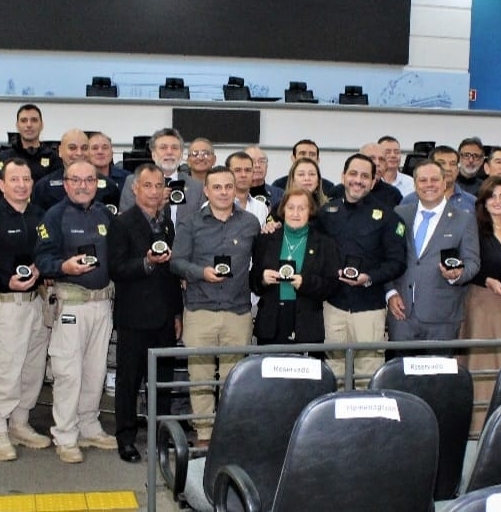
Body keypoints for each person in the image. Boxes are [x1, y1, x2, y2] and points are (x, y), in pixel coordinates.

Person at [35, 159, 120, 463]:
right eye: (76, 180)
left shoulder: (104, 215)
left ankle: (89, 425)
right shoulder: (54, 216)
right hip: (72, 303)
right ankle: (66, 434)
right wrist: (63, 267)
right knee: (69, 372)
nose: (83, 185)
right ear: (66, 183)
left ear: (96, 184)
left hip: (102, 303)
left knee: (95, 371)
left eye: (89, 180)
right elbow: (42, 260)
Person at [169, 165, 260, 446]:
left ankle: (230, 434)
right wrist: (201, 273)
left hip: (238, 310)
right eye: (217, 187)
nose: (223, 192)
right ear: (206, 190)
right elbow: (176, 262)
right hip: (200, 309)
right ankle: (206, 435)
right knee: (201, 378)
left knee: (234, 380)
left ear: (236, 190)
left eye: (228, 187)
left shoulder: (251, 223)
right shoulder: (190, 223)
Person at [0, 157, 52, 461]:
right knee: (6, 367)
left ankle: (19, 423)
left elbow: (47, 252)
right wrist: (5, 280)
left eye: (26, 179)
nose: (21, 185)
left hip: (36, 301)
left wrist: (39, 269)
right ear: (2, 185)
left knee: (33, 367)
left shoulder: (40, 216)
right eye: (15, 180)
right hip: (6, 304)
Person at [108, 164, 182, 463]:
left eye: (158, 186)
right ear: (135, 188)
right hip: (133, 317)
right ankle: (125, 438)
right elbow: (116, 268)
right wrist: (147, 262)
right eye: (147, 185)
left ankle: (159, 435)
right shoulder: (122, 224)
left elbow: (172, 275)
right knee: (129, 380)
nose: (154, 191)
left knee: (161, 379)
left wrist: (177, 312)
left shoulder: (166, 224)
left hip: (164, 315)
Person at [318, 154, 407, 384]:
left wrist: (369, 278)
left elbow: (397, 262)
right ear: (343, 176)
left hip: (370, 309)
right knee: (334, 373)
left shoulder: (388, 218)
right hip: (333, 308)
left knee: (368, 376)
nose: (358, 180)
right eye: (353, 174)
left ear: (374, 180)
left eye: (365, 176)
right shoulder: (326, 213)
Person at [387, 160, 479, 349]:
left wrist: (458, 275)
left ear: (445, 182)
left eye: (434, 179)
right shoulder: (399, 214)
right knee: (401, 375)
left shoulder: (464, 219)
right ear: (415, 185)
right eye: (423, 180)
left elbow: (472, 262)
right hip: (401, 314)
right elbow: (387, 257)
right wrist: (390, 292)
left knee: (439, 376)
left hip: (442, 317)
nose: (429, 185)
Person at [463, 176, 501, 430]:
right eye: (492, 196)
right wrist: (488, 280)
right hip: (483, 305)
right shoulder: (474, 230)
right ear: (483, 201)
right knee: (484, 369)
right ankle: (479, 429)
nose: (498, 201)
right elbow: (468, 266)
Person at [251, 187, 341, 345]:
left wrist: (306, 283)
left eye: (302, 208)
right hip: (271, 323)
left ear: (310, 211)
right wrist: (262, 279)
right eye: (291, 207)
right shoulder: (266, 238)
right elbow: (253, 280)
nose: (295, 213)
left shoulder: (324, 243)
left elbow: (332, 285)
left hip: (307, 324)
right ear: (283, 210)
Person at [120, 128, 204, 223]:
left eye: (175, 148)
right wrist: (154, 206)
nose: (169, 152)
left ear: (181, 154)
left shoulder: (196, 187)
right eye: (163, 148)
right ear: (153, 154)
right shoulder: (133, 181)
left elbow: (201, 225)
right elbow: (125, 221)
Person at [35, 128, 121, 211]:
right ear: (60, 151)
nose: (79, 153)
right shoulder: (43, 187)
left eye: (84, 148)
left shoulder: (109, 187)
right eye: (72, 148)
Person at [7, 103, 60, 181]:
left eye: (34, 120)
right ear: (17, 126)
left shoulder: (53, 158)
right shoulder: (6, 157)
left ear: (41, 125)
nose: (29, 125)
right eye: (24, 120)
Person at [225, 151, 269, 224]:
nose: (243, 175)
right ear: (227, 173)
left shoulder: (261, 207)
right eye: (237, 170)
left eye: (248, 170)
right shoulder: (213, 206)